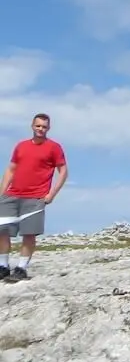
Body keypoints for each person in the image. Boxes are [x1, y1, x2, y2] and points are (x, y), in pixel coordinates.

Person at [0, 113, 69, 282]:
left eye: (44, 127)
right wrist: (2, 193)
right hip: (12, 194)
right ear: (32, 126)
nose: (41, 129)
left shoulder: (54, 147)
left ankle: (21, 268)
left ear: (48, 128)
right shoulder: (21, 146)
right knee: (2, 231)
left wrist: (51, 194)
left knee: (29, 233)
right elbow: (11, 169)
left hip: (36, 197)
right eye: (38, 126)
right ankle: (3, 266)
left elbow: (63, 171)